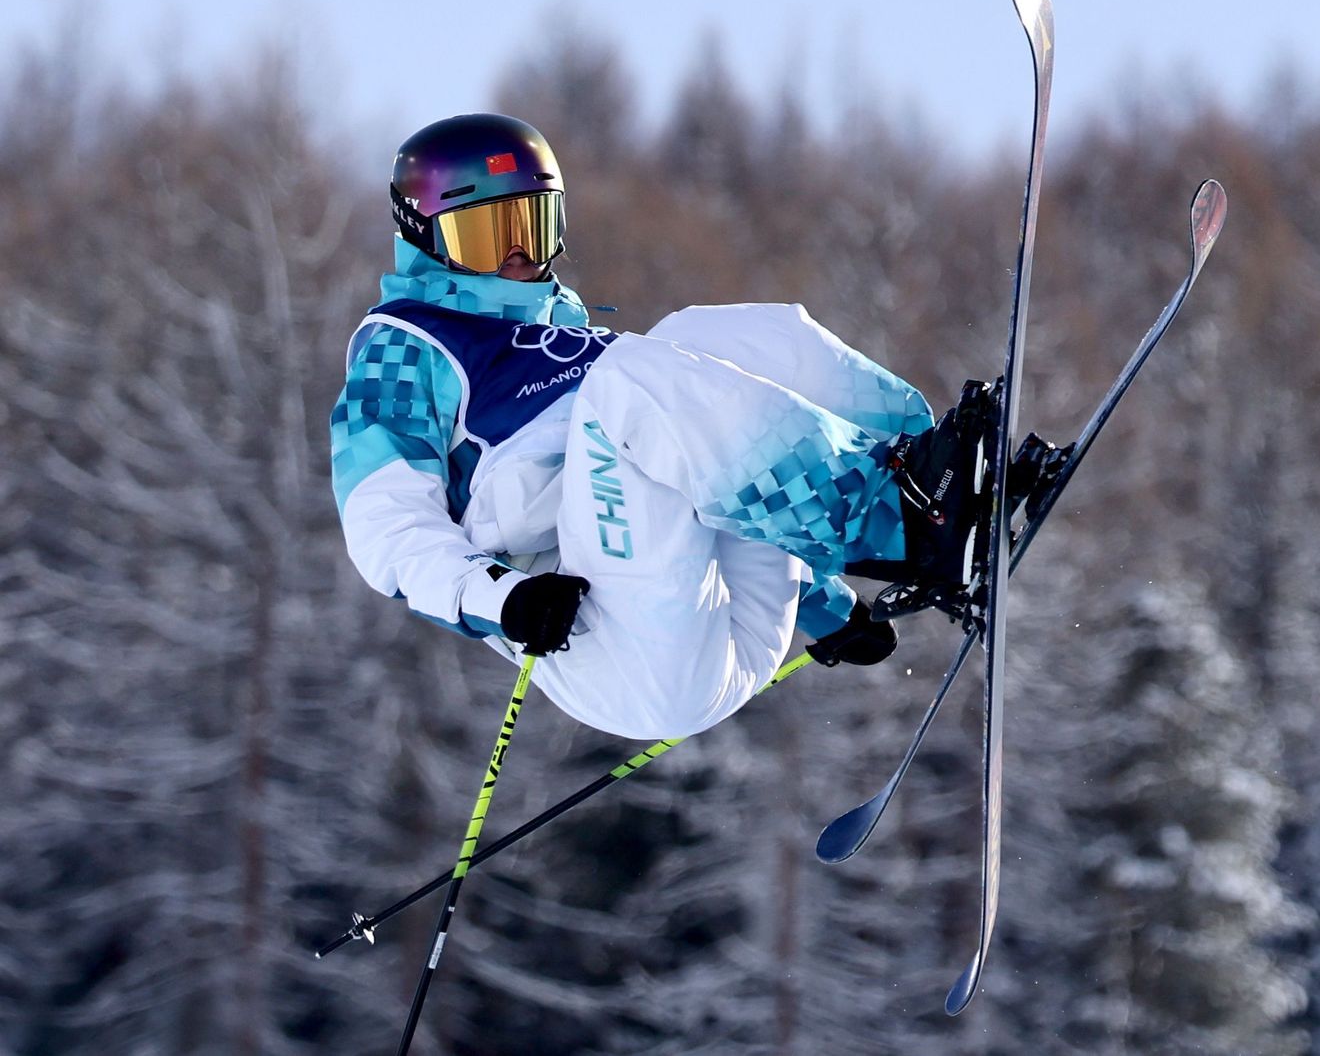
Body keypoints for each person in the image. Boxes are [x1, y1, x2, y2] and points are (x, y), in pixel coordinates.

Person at [331, 113, 997, 741]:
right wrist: (503, 600)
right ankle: (908, 525)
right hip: (615, 644)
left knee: (701, 339)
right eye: (485, 236)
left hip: (717, 604)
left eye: (529, 226)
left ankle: (927, 478)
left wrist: (824, 605)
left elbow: (705, 465)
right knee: (631, 382)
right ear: (426, 238)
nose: (515, 255)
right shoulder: (406, 345)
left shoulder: (567, 335)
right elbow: (386, 527)